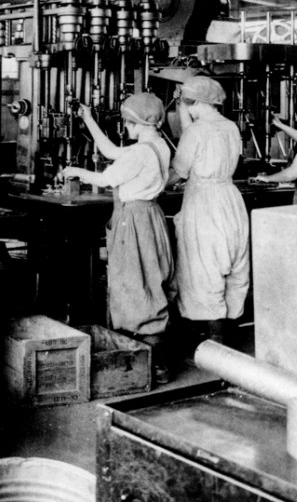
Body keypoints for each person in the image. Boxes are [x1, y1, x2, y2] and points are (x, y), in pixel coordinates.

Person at [62, 94, 174, 384]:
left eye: (126, 122)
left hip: (133, 221)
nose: (124, 127)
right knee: (150, 280)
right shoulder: (158, 145)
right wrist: (88, 119)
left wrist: (75, 171)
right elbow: (112, 151)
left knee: (134, 282)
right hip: (150, 216)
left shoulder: (139, 154)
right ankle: (158, 365)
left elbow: (105, 179)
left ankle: (146, 365)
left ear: (137, 123)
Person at [168, 75, 249, 347]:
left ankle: (215, 346)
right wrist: (182, 106)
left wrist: (149, 182)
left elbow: (179, 171)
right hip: (230, 199)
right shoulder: (230, 127)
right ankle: (230, 342)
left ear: (194, 102)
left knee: (204, 270)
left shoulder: (196, 132)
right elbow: (198, 137)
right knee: (234, 269)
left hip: (204, 203)